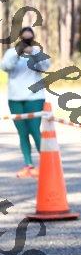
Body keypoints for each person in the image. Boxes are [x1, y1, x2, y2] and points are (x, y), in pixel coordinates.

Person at [1, 26, 50, 177]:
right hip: (15, 99)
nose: (27, 41)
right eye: (24, 39)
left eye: (29, 39)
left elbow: (45, 66)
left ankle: (47, 164)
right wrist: (18, 53)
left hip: (35, 98)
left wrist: (32, 53)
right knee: (22, 133)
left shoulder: (37, 52)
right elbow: (5, 67)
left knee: (35, 130)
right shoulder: (11, 52)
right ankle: (28, 165)